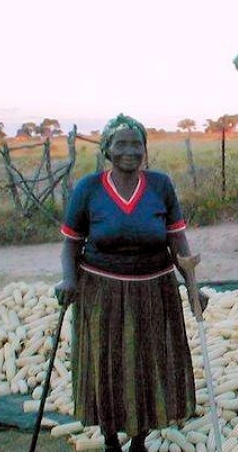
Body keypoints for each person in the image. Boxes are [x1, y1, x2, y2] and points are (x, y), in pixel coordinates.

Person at [54, 114, 206, 452]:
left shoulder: (160, 186)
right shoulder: (89, 189)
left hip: (154, 292)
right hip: (103, 292)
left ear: (145, 149)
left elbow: (178, 243)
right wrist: (69, 280)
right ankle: (110, 439)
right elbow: (71, 243)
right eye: (121, 144)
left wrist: (193, 284)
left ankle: (139, 440)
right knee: (107, 365)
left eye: (136, 144)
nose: (130, 151)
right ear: (107, 149)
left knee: (149, 366)